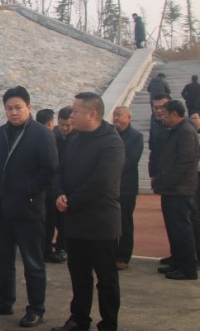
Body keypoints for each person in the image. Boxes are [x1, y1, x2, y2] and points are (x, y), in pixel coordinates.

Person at [0, 86, 57, 328]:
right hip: (3, 208)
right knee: (2, 259)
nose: (13, 112)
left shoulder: (41, 134)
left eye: (18, 108)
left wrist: (28, 190)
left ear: (29, 107)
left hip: (28, 209)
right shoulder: (0, 133)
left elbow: (49, 169)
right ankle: (4, 301)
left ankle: (36, 309)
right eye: (9, 108)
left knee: (32, 263)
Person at [53, 93, 124, 331]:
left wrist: (71, 201)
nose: (71, 115)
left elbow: (101, 181)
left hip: (100, 223)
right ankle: (79, 319)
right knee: (79, 275)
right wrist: (59, 193)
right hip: (75, 221)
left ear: (92, 114)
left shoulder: (111, 142)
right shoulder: (75, 138)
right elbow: (60, 170)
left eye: (76, 111)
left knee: (106, 279)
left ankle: (108, 324)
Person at [155, 100, 200, 280]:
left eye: (165, 113)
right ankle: (178, 260)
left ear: (174, 114)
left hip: (180, 190)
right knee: (173, 228)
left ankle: (188, 268)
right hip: (172, 189)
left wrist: (167, 182)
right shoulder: (175, 130)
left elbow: (185, 163)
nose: (163, 117)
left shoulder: (186, 132)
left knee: (182, 229)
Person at [112, 106, 144, 270]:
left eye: (119, 115)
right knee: (110, 221)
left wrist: (109, 167)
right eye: (114, 115)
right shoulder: (110, 134)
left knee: (125, 222)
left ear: (128, 117)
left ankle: (123, 256)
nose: (115, 118)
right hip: (110, 186)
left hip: (126, 187)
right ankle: (110, 254)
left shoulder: (136, 137)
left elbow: (131, 160)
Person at [46, 107, 74, 263]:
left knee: (65, 221)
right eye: (62, 124)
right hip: (54, 184)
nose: (64, 128)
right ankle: (48, 247)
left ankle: (62, 247)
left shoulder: (78, 137)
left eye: (68, 125)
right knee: (51, 218)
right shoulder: (53, 135)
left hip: (69, 184)